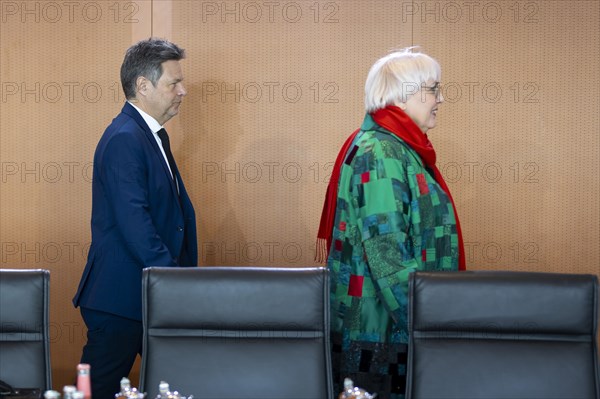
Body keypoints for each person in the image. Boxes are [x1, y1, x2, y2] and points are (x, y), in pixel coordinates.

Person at [316, 48, 466, 399]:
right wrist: (432, 324)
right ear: (403, 94)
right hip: (381, 339)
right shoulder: (381, 152)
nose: (440, 99)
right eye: (433, 89)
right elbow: (388, 255)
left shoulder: (396, 147)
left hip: (389, 329)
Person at [73, 38, 198, 399]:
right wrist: (173, 283)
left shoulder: (147, 135)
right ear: (143, 86)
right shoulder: (125, 138)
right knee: (95, 391)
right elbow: (135, 225)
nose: (183, 91)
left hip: (144, 295)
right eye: (173, 83)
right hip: (122, 299)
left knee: (177, 384)